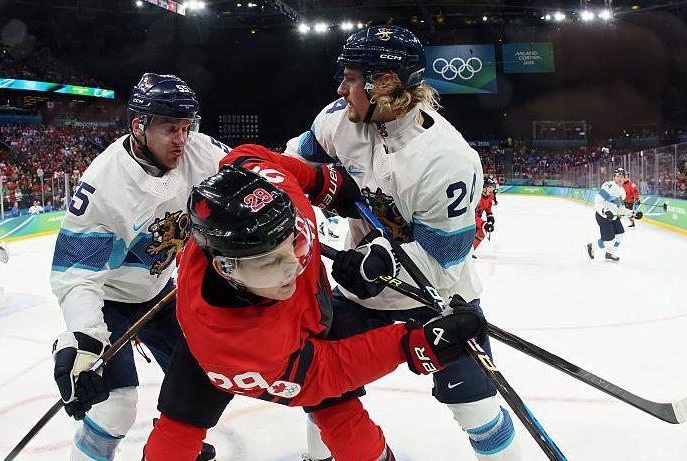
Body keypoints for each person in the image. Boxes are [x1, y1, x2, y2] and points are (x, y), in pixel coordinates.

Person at [143, 145, 485, 461]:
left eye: (295, 241)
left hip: (304, 317)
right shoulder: (238, 343)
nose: (293, 264)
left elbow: (245, 155)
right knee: (335, 411)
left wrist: (322, 182)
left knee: (339, 414)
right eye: (269, 262)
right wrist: (412, 345)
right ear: (225, 268)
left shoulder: (274, 192)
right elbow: (328, 372)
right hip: (233, 354)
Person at [286, 25, 521, 461]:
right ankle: (318, 456)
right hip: (362, 297)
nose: (341, 87)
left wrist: (380, 259)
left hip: (439, 299)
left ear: (386, 82)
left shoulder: (446, 157)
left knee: (474, 407)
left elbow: (447, 253)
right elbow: (299, 163)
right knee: (318, 381)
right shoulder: (339, 118)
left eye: (352, 78)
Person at [50, 73, 230, 461]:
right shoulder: (103, 186)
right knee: (117, 407)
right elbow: (77, 273)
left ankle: (175, 438)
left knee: (202, 375)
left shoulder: (199, 149)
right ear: (138, 126)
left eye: (187, 127)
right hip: (110, 300)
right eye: (170, 129)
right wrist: (84, 336)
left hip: (160, 292)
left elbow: (248, 175)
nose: (182, 139)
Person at [586, 168, 643, 262]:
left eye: (622, 176)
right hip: (603, 216)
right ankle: (591, 246)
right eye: (618, 176)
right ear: (614, 177)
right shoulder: (609, 186)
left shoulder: (622, 191)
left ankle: (609, 253)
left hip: (614, 217)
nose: (620, 178)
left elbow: (620, 208)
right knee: (609, 241)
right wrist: (605, 210)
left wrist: (633, 213)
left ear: (625, 178)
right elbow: (597, 202)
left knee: (620, 234)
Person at [473, 178, 496, 257]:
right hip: (469, 218)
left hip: (477, 218)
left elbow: (488, 207)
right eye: (489, 187)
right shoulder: (476, 197)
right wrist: (484, 224)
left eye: (492, 186)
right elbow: (471, 216)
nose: (491, 188)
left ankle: (470, 251)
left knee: (481, 233)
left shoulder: (491, 195)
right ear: (483, 188)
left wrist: (490, 215)